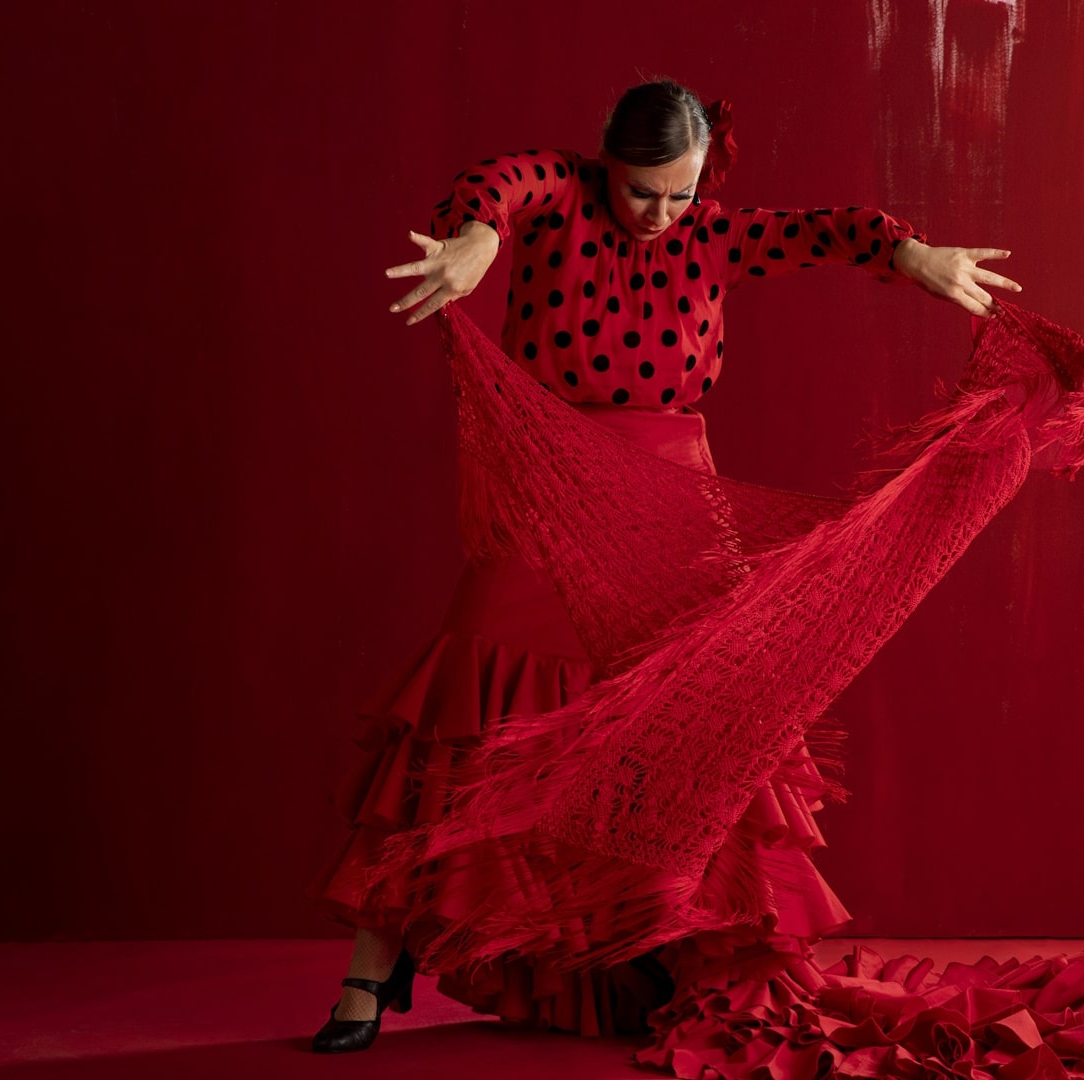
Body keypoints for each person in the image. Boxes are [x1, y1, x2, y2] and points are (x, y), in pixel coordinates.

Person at [311, 77, 1018, 1055]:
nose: (659, 215)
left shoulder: (711, 235)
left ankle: (683, 955)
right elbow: (499, 185)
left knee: (690, 731)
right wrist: (476, 236)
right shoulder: (559, 197)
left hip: (677, 504)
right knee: (462, 721)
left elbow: (823, 230)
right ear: (606, 163)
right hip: (554, 490)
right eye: (642, 191)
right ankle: (370, 965)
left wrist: (907, 253)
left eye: (679, 194)